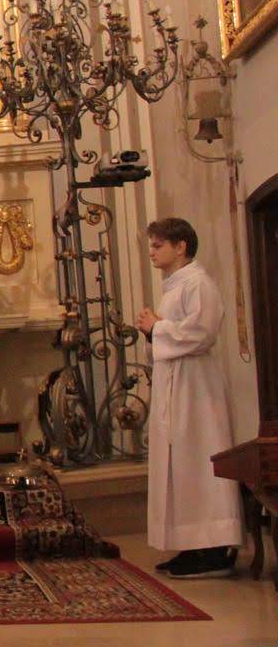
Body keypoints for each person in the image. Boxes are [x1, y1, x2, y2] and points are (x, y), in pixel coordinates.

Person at [135, 218, 243, 579]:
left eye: (158, 245)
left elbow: (202, 331)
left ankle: (215, 546)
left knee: (198, 459)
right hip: (177, 383)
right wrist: (153, 331)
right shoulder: (175, 285)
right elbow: (175, 334)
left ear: (181, 246)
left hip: (196, 387)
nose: (152, 252)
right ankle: (192, 543)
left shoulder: (199, 283)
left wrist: (157, 327)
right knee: (180, 464)